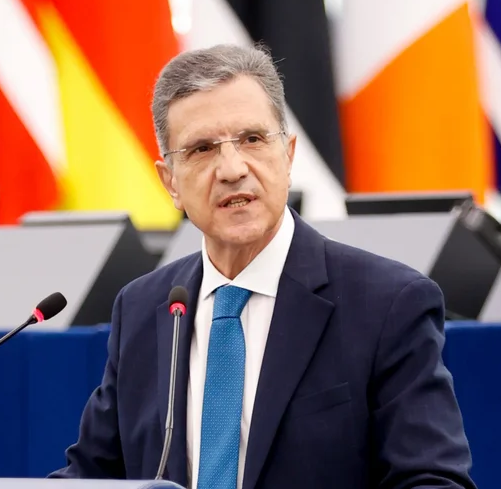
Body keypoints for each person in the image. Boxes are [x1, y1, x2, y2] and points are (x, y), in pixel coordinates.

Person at [50, 44, 476, 488]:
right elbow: (90, 477)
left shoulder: (387, 304)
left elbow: (432, 481)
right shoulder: (143, 308)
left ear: (288, 155)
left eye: (252, 139)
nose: (232, 169)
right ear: (170, 182)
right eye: (202, 149)